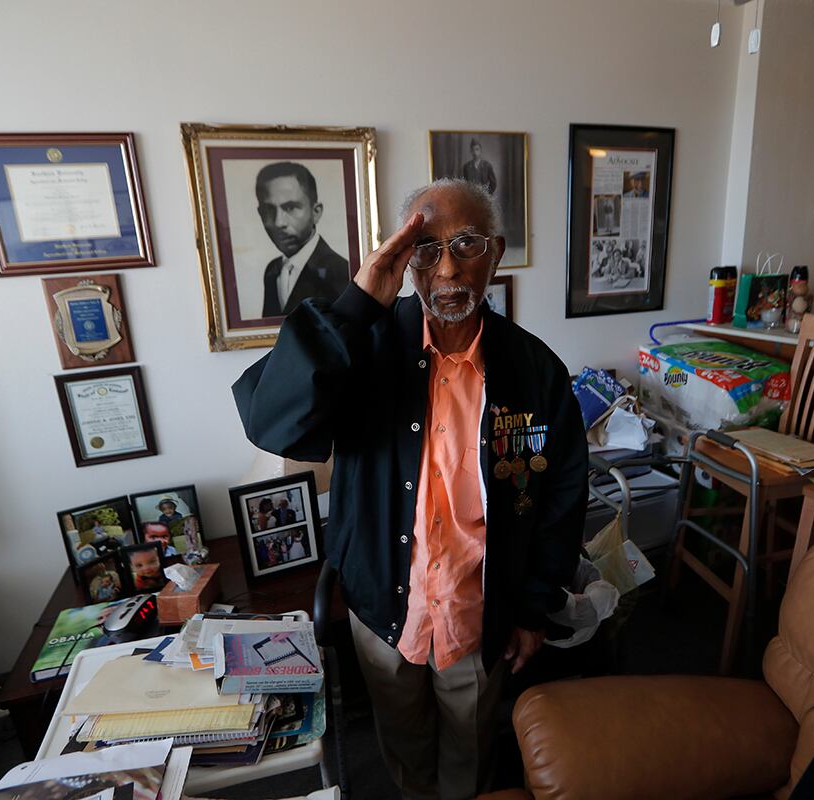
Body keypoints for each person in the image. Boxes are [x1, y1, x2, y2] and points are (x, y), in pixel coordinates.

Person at [233, 178, 586, 799]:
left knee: (472, 757)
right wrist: (355, 304)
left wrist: (534, 607)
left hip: (481, 617)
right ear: (402, 257)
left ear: (496, 252)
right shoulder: (360, 343)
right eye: (426, 248)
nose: (448, 267)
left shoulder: (536, 371)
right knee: (404, 753)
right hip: (384, 608)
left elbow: (561, 497)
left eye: (467, 243)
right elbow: (271, 420)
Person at [256, 162, 350, 317]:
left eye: (290, 207)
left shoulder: (341, 271)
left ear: (316, 212)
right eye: (269, 210)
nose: (279, 222)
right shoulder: (272, 271)